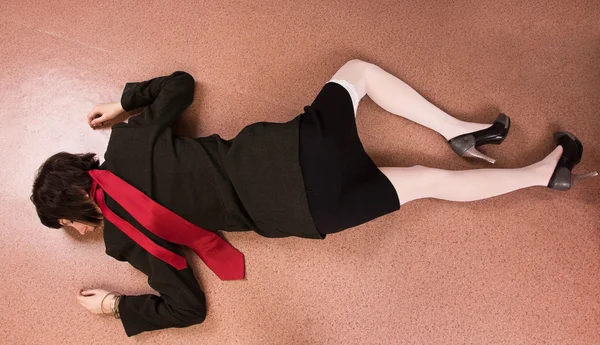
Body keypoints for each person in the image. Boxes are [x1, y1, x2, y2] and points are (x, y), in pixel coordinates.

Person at [30, 59, 596, 336]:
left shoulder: (127, 246)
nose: (79, 232)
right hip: (295, 153)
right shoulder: (130, 144)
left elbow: (189, 309)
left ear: (75, 217)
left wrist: (113, 306)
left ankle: (543, 174)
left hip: (305, 213)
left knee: (428, 182)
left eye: (69, 225)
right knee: (356, 74)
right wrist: (126, 104)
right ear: (82, 170)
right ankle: (457, 130)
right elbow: (180, 84)